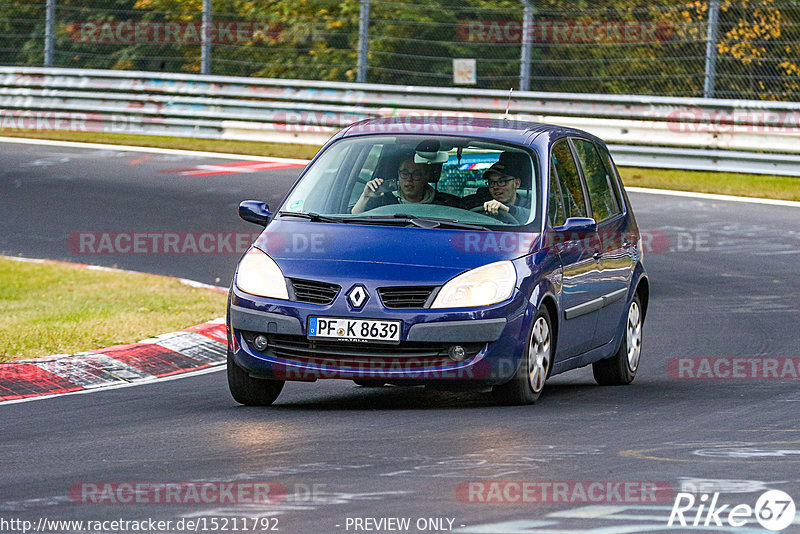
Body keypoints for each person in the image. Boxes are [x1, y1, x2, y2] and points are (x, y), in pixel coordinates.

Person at [351, 157, 458, 214]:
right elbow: (354, 218)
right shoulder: (383, 199)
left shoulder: (443, 204)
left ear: (426, 177)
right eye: (405, 173)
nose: (409, 179)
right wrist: (365, 197)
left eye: (416, 174)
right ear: (398, 174)